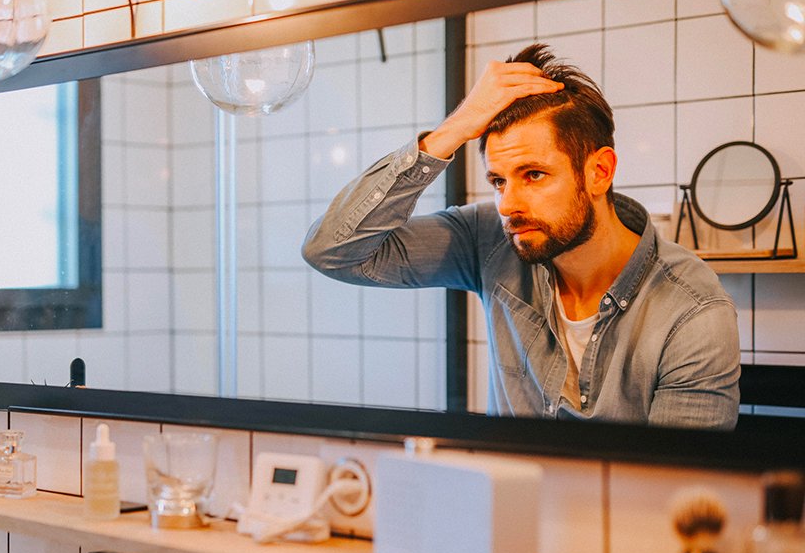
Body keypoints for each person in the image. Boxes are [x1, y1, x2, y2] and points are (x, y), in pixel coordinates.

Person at [302, 44, 740, 430]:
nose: (509, 205)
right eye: (498, 181)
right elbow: (332, 251)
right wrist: (451, 130)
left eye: (533, 175)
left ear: (598, 172)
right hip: (504, 515)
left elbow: (676, 490)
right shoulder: (490, 239)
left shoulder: (692, 311)